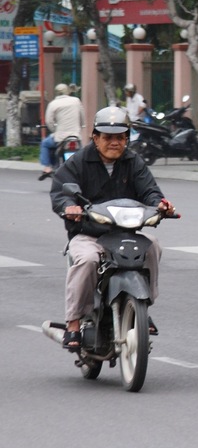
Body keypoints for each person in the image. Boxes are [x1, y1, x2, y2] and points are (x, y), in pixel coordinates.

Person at [48, 106, 175, 351]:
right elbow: (60, 191)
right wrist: (69, 206)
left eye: (120, 137)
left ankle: (142, 306)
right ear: (95, 138)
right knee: (86, 260)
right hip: (89, 234)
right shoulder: (79, 162)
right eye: (107, 137)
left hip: (125, 233)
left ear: (127, 138)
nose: (114, 143)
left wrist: (160, 205)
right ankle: (74, 322)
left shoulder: (133, 161)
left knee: (153, 246)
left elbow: (150, 191)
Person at [39, 83, 86, 180]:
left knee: (45, 143)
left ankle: (47, 168)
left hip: (60, 137)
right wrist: (80, 127)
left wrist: (54, 131)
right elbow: (82, 117)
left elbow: (49, 121)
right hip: (75, 136)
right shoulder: (76, 101)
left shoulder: (53, 104)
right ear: (67, 91)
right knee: (82, 154)